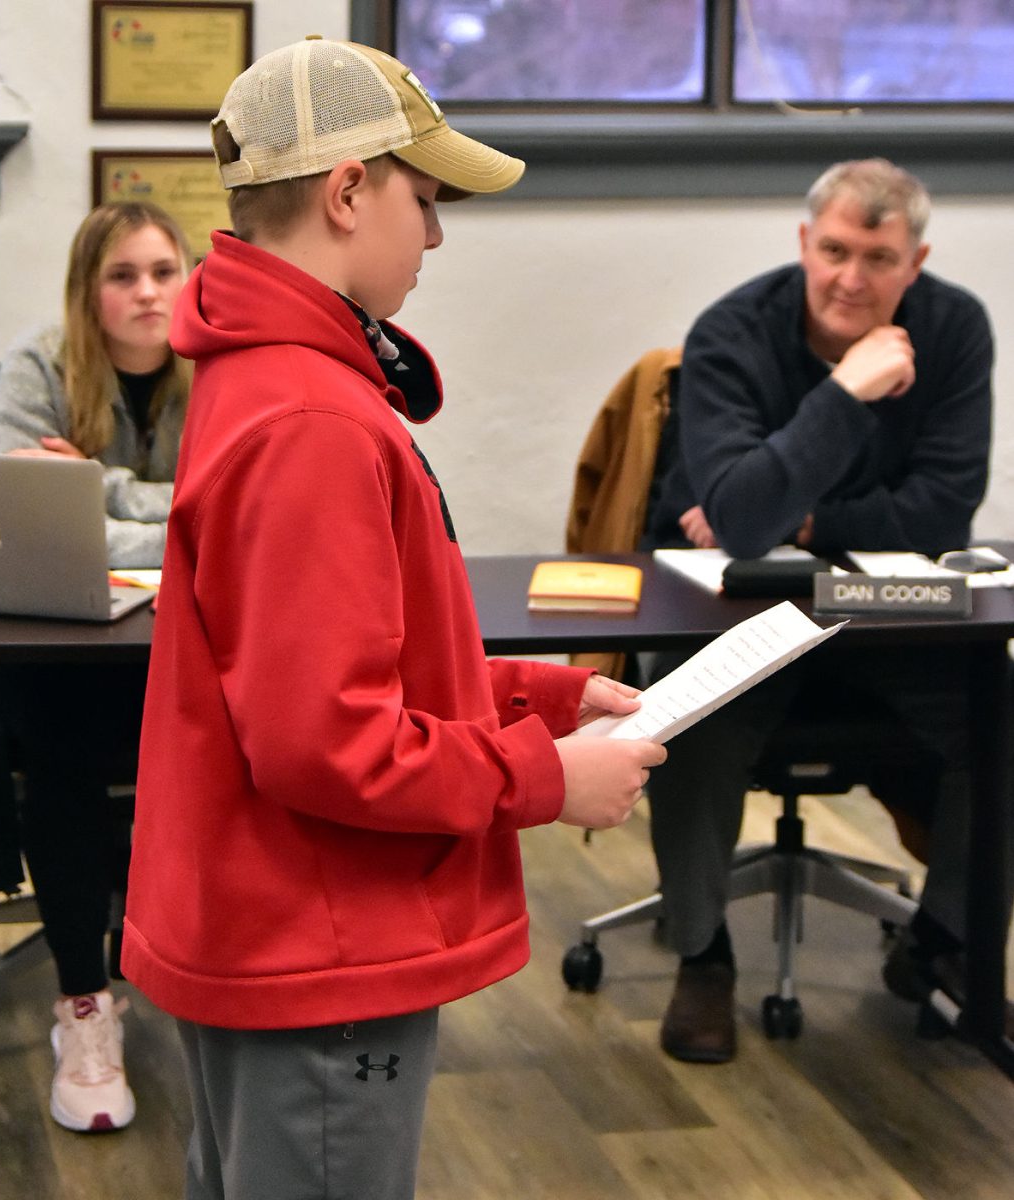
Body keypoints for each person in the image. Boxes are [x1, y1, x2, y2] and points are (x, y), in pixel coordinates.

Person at [120, 37, 666, 1200]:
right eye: (424, 197)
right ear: (349, 189)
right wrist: (543, 779)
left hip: (265, 919)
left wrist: (545, 695)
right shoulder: (311, 416)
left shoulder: (262, 371)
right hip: (315, 943)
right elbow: (325, 740)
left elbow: (338, 660)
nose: (434, 234)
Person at [642, 158, 997, 1063]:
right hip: (738, 617)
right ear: (805, 243)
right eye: (834, 250)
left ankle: (944, 947)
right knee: (688, 717)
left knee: (1001, 719)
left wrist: (800, 511)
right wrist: (844, 393)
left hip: (892, 619)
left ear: (913, 262)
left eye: (878, 258)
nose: (851, 278)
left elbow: (940, 512)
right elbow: (742, 524)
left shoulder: (952, 329)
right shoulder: (731, 333)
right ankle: (701, 952)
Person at [0, 200, 192, 1129]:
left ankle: (186, 966)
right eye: (123, 276)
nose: (148, 293)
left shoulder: (223, 363)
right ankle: (84, 1001)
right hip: (59, 642)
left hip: (184, 643)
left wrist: (95, 484)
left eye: (162, 271)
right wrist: (172, 511)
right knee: (62, 755)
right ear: (87, 291)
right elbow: (21, 514)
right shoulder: (37, 366)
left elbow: (233, 506)